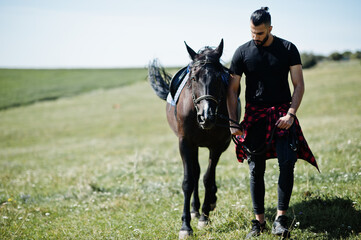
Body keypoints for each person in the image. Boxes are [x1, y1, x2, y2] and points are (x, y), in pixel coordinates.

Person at [226, 7, 318, 238]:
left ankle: (281, 218)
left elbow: (299, 85)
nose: (255, 37)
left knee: (287, 163)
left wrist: (291, 114)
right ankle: (258, 222)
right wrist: (233, 122)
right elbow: (232, 89)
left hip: (282, 115)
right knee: (256, 169)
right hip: (255, 116)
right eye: (252, 32)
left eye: (260, 33)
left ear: (270, 29)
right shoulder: (242, 52)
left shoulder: (288, 49)